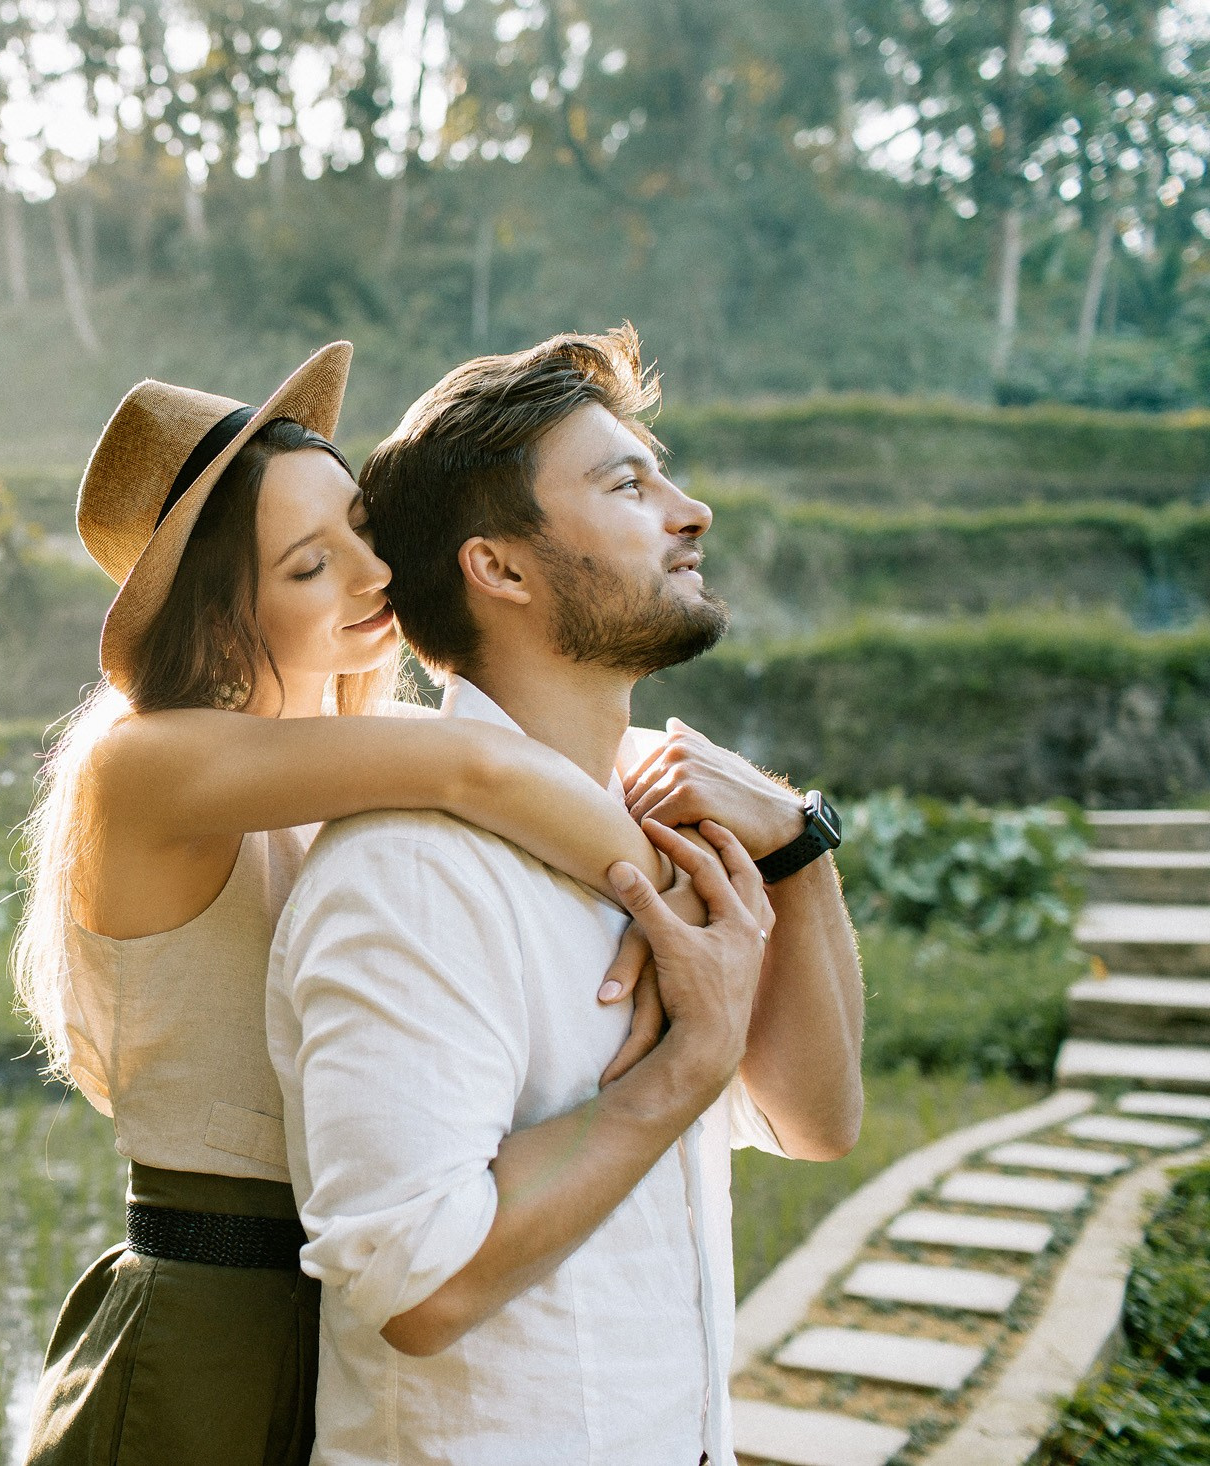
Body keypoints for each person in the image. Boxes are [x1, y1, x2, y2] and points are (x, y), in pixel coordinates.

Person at [266, 326, 865, 1465]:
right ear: (499, 568)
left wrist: (799, 843)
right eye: (627, 485)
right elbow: (418, 1282)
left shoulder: (670, 829)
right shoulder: (411, 870)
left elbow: (815, 1122)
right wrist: (682, 1068)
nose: (690, 512)